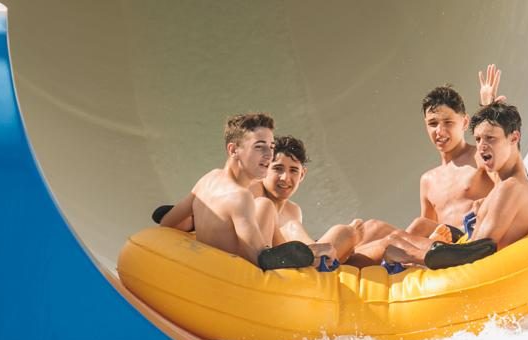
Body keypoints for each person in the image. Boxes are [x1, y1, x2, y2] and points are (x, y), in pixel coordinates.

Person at [351, 65, 506, 268]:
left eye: (448, 122)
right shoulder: (428, 179)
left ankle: (351, 264)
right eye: (433, 124)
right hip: (436, 244)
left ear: (465, 122)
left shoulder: (478, 156)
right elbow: (424, 233)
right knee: (371, 227)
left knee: (416, 226)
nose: (439, 131)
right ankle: (343, 261)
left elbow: (510, 180)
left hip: (467, 242)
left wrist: (490, 109)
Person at [382, 101, 528, 270]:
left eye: (490, 138)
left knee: (394, 243)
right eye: (478, 139)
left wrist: (410, 255)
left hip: (488, 272)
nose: (481, 146)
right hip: (469, 255)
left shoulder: (511, 187)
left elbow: (476, 252)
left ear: (514, 138)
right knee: (396, 238)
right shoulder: (506, 184)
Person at [157, 113, 313, 270]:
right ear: (233, 150)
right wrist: (307, 257)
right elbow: (261, 260)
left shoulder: (208, 179)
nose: (268, 155)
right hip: (234, 283)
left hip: (206, 270)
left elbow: (166, 223)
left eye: (271, 147)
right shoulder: (240, 197)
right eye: (259, 147)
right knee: (265, 205)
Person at [255, 135, 364, 272]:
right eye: (278, 168)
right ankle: (317, 257)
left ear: (302, 174)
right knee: (345, 232)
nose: (285, 178)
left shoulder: (293, 210)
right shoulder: (255, 191)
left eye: (293, 170)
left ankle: (317, 257)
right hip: (266, 262)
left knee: (352, 232)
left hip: (294, 265)